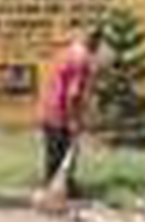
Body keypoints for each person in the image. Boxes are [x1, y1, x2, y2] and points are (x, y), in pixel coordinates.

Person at [39, 26, 102, 199]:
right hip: (60, 113)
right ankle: (58, 192)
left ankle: (56, 189)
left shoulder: (66, 53)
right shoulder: (81, 60)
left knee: (54, 155)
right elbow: (73, 94)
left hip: (48, 109)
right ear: (94, 43)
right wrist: (73, 120)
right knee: (64, 154)